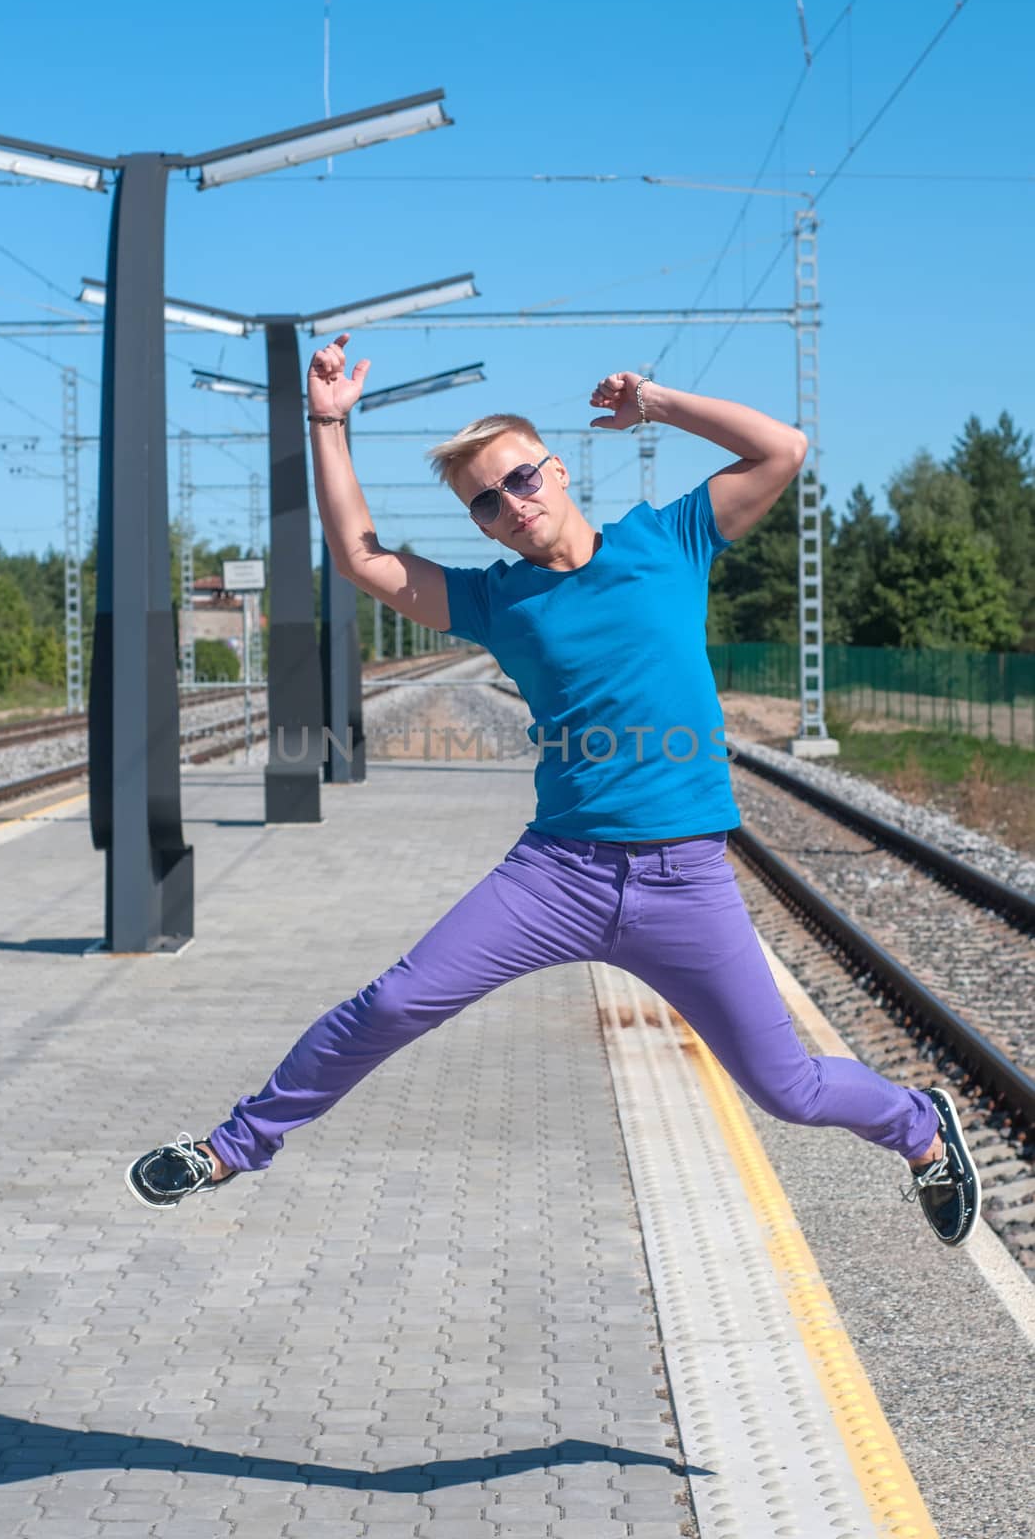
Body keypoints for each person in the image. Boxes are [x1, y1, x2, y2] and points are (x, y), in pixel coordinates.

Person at [126, 337, 980, 1249]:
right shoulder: (498, 601)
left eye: (520, 480)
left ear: (558, 469)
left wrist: (652, 401)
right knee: (393, 1004)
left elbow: (781, 451)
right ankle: (231, 1148)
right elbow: (363, 561)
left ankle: (921, 1131)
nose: (511, 506)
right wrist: (327, 425)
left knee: (789, 1091)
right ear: (483, 526)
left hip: (683, 881)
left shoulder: (669, 539)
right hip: (558, 875)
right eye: (486, 504)